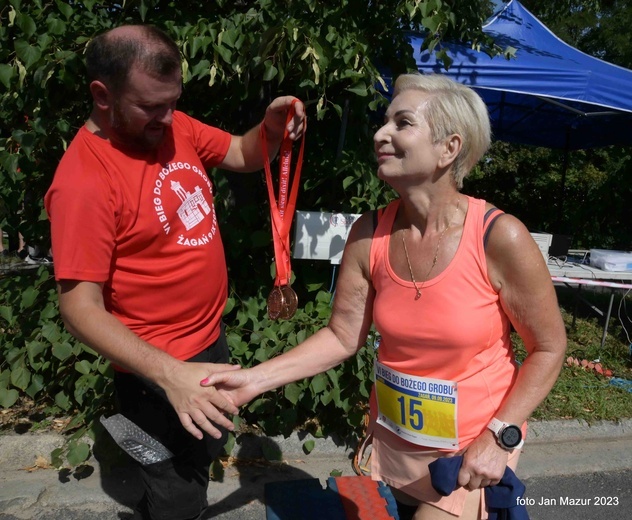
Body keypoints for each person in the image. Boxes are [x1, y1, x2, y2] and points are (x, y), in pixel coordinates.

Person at [202, 73, 567, 520]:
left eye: (403, 123)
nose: (381, 134)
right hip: (397, 447)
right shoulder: (369, 231)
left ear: (449, 149)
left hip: (471, 452)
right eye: (384, 122)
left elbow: (548, 348)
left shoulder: (498, 236)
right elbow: (341, 336)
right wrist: (254, 381)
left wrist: (499, 436)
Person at [44, 24, 304, 520]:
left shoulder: (173, 125)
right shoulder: (84, 181)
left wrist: (271, 129)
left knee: (198, 461)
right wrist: (170, 375)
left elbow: (241, 153)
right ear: (102, 95)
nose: (168, 117)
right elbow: (78, 309)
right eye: (150, 106)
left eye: (173, 101)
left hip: (209, 345)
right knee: (177, 494)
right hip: (154, 372)